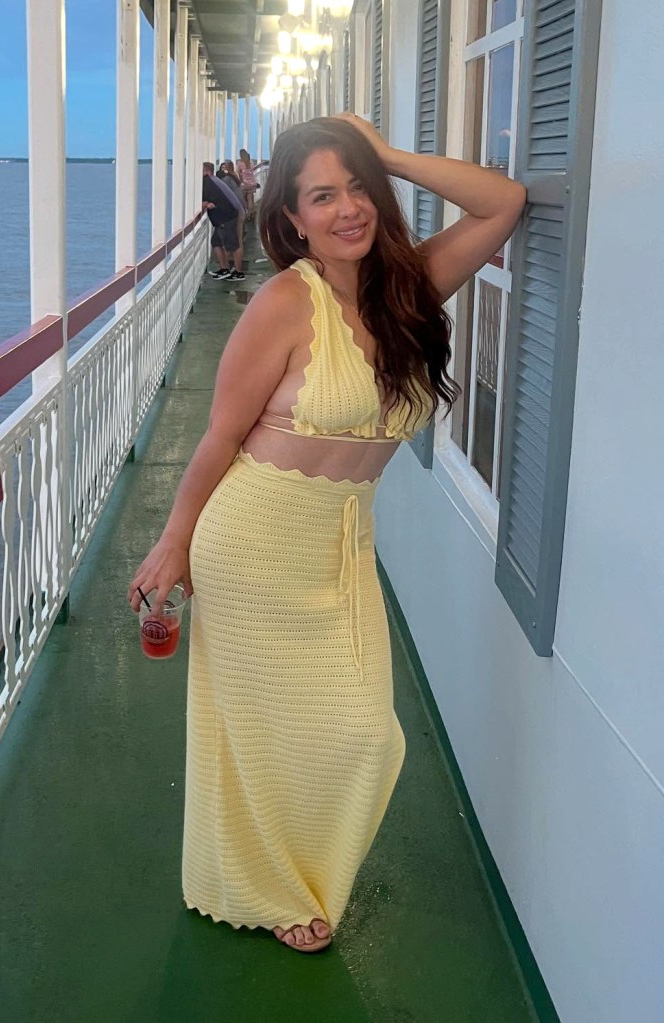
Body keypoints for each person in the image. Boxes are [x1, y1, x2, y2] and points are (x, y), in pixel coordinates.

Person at [129, 114, 526, 954]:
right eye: (322, 195)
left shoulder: (411, 286)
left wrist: (381, 152)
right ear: (293, 217)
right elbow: (218, 438)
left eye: (357, 188)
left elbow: (504, 203)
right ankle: (269, 886)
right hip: (254, 541)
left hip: (339, 546)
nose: (347, 209)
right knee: (262, 725)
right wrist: (173, 541)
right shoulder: (284, 302)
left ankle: (289, 871)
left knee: (361, 731)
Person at [202, 162, 245, 281]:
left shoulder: (208, 182)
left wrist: (205, 204)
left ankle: (239, 272)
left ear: (205, 171)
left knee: (233, 245)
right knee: (216, 242)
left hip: (227, 217)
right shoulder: (214, 180)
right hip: (230, 214)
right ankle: (224, 269)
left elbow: (208, 200)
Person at [218, 159, 247, 259]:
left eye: (224, 167)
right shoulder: (234, 177)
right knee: (238, 239)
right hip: (241, 210)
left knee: (232, 240)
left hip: (235, 212)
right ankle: (237, 264)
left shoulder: (226, 180)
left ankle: (229, 266)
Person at [236, 148, 261, 221]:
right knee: (250, 198)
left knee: (243, 199)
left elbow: (239, 173)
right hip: (252, 183)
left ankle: (245, 214)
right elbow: (253, 171)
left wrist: (241, 181)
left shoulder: (240, 163)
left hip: (245, 184)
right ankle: (251, 213)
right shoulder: (251, 162)